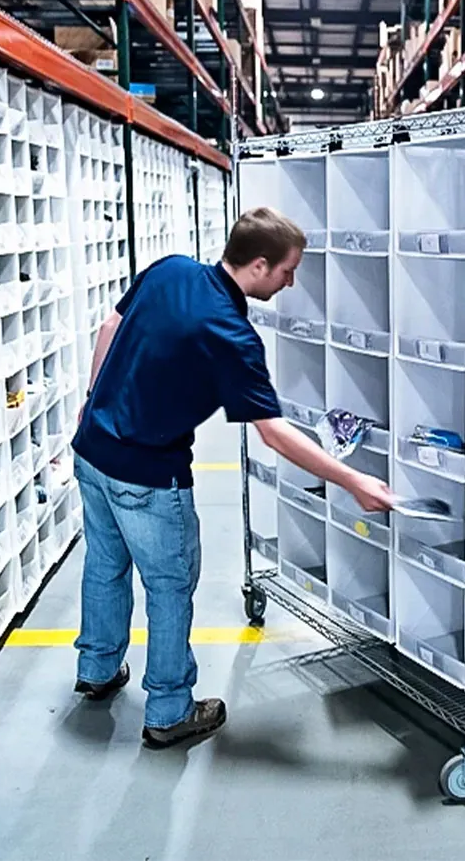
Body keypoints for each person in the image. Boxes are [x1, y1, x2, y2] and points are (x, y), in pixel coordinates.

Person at [71, 206, 393, 749]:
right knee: (170, 588)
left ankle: (98, 670)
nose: (292, 282)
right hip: (148, 476)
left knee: (105, 565)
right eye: (289, 271)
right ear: (260, 265)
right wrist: (353, 480)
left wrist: (90, 401)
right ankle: (170, 711)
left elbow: (110, 326)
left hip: (93, 454)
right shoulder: (230, 333)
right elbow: (274, 434)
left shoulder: (172, 269)